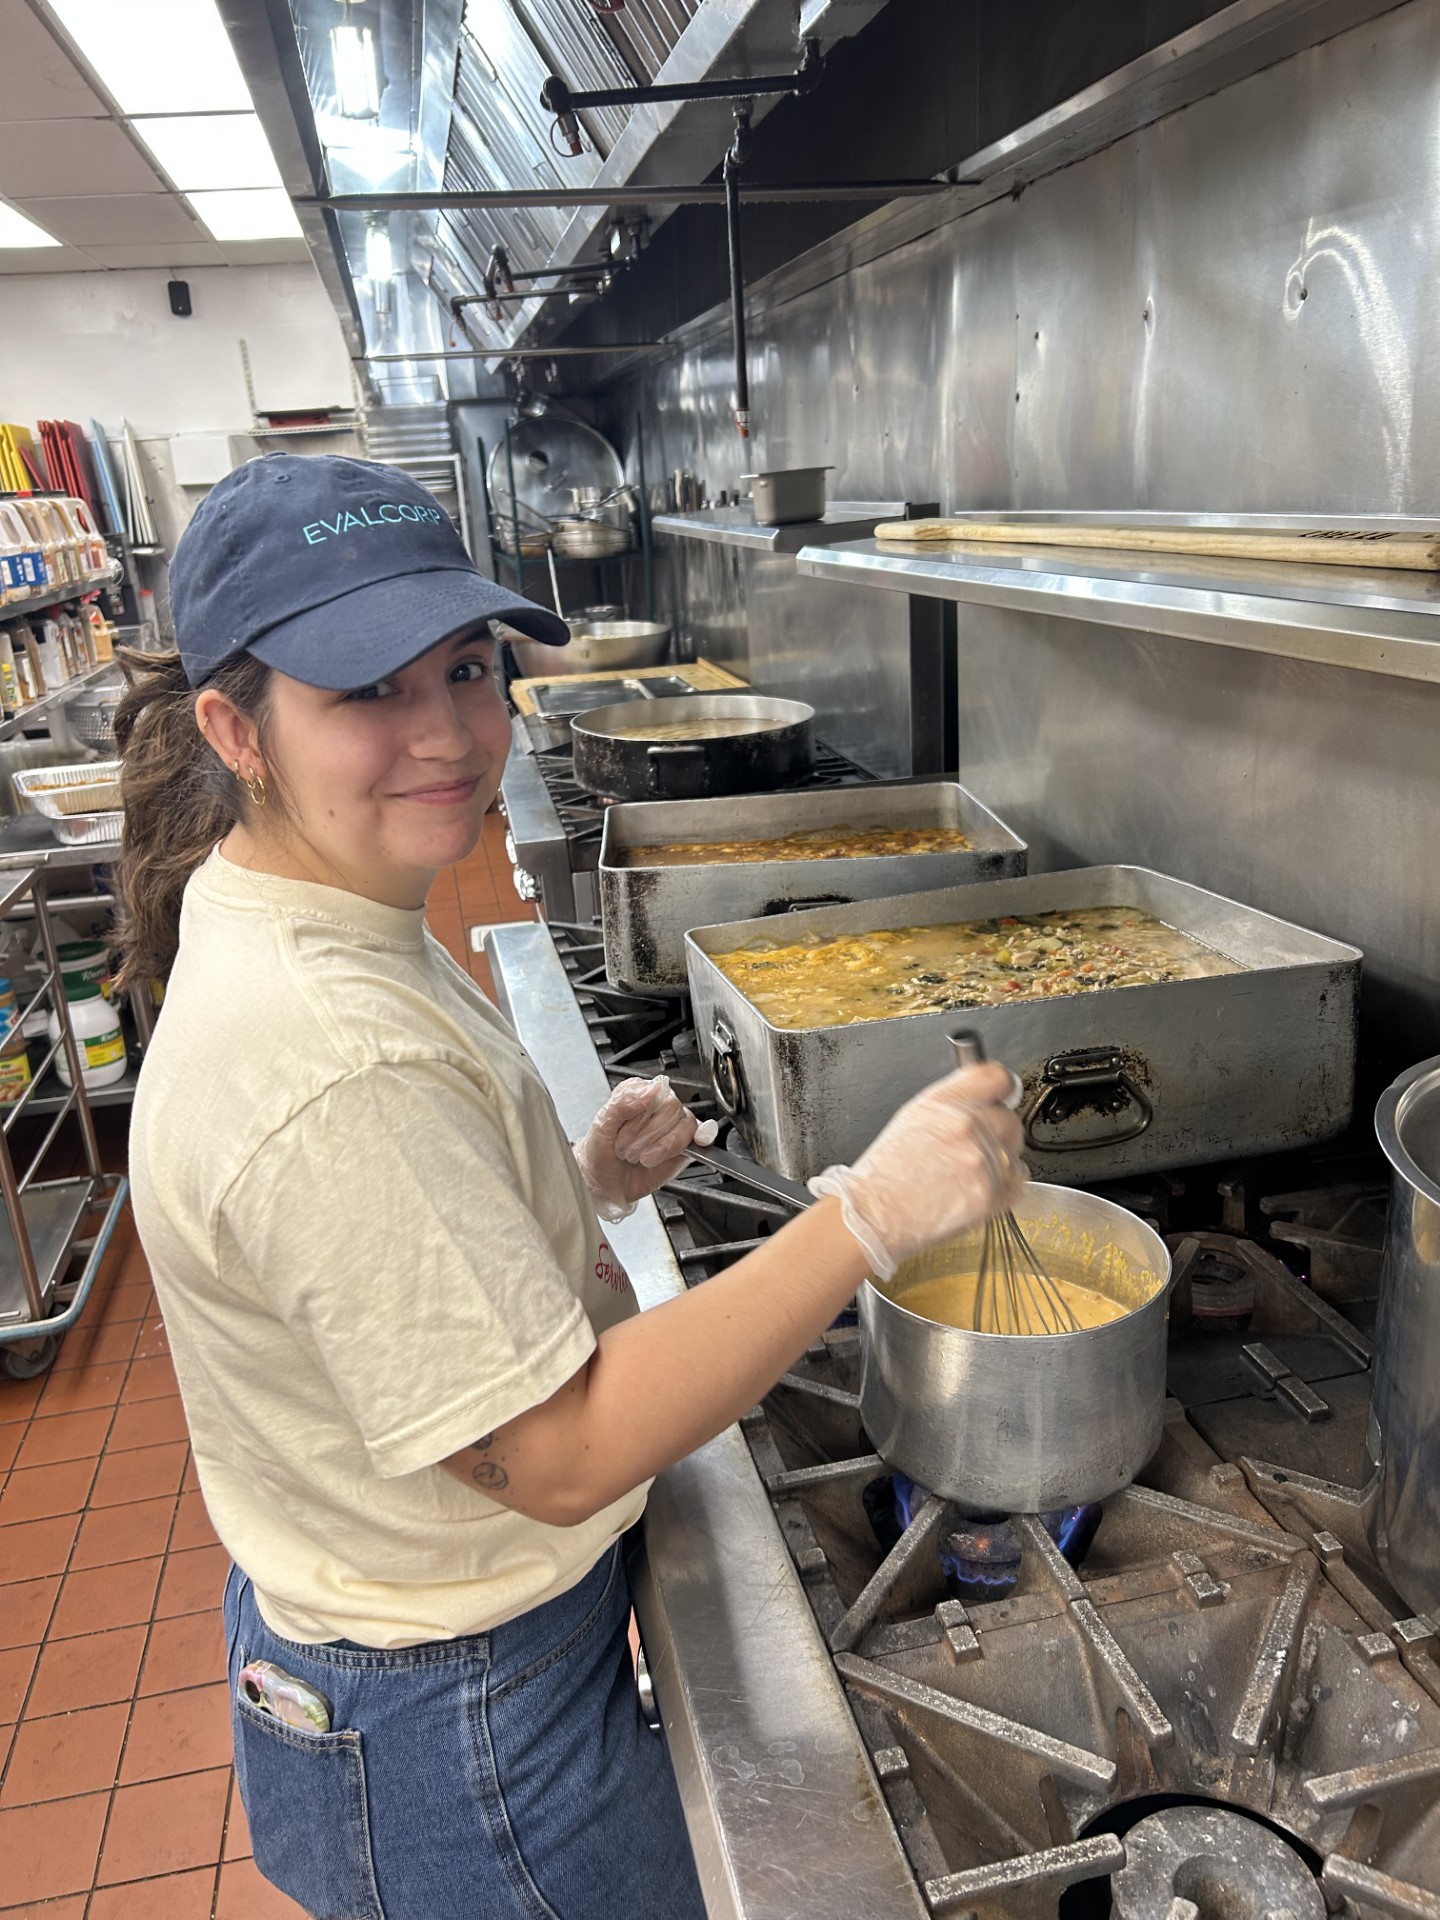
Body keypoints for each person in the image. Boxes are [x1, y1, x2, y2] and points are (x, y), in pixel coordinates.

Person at [119, 453, 1025, 1920]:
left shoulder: (327, 908)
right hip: (457, 1709)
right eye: (369, 692)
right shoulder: (326, 1058)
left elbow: (373, 1251)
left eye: (468, 669)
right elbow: (552, 1454)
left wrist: (569, 1178)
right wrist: (870, 1214)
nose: (451, 736)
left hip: (404, 1631)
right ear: (239, 728)